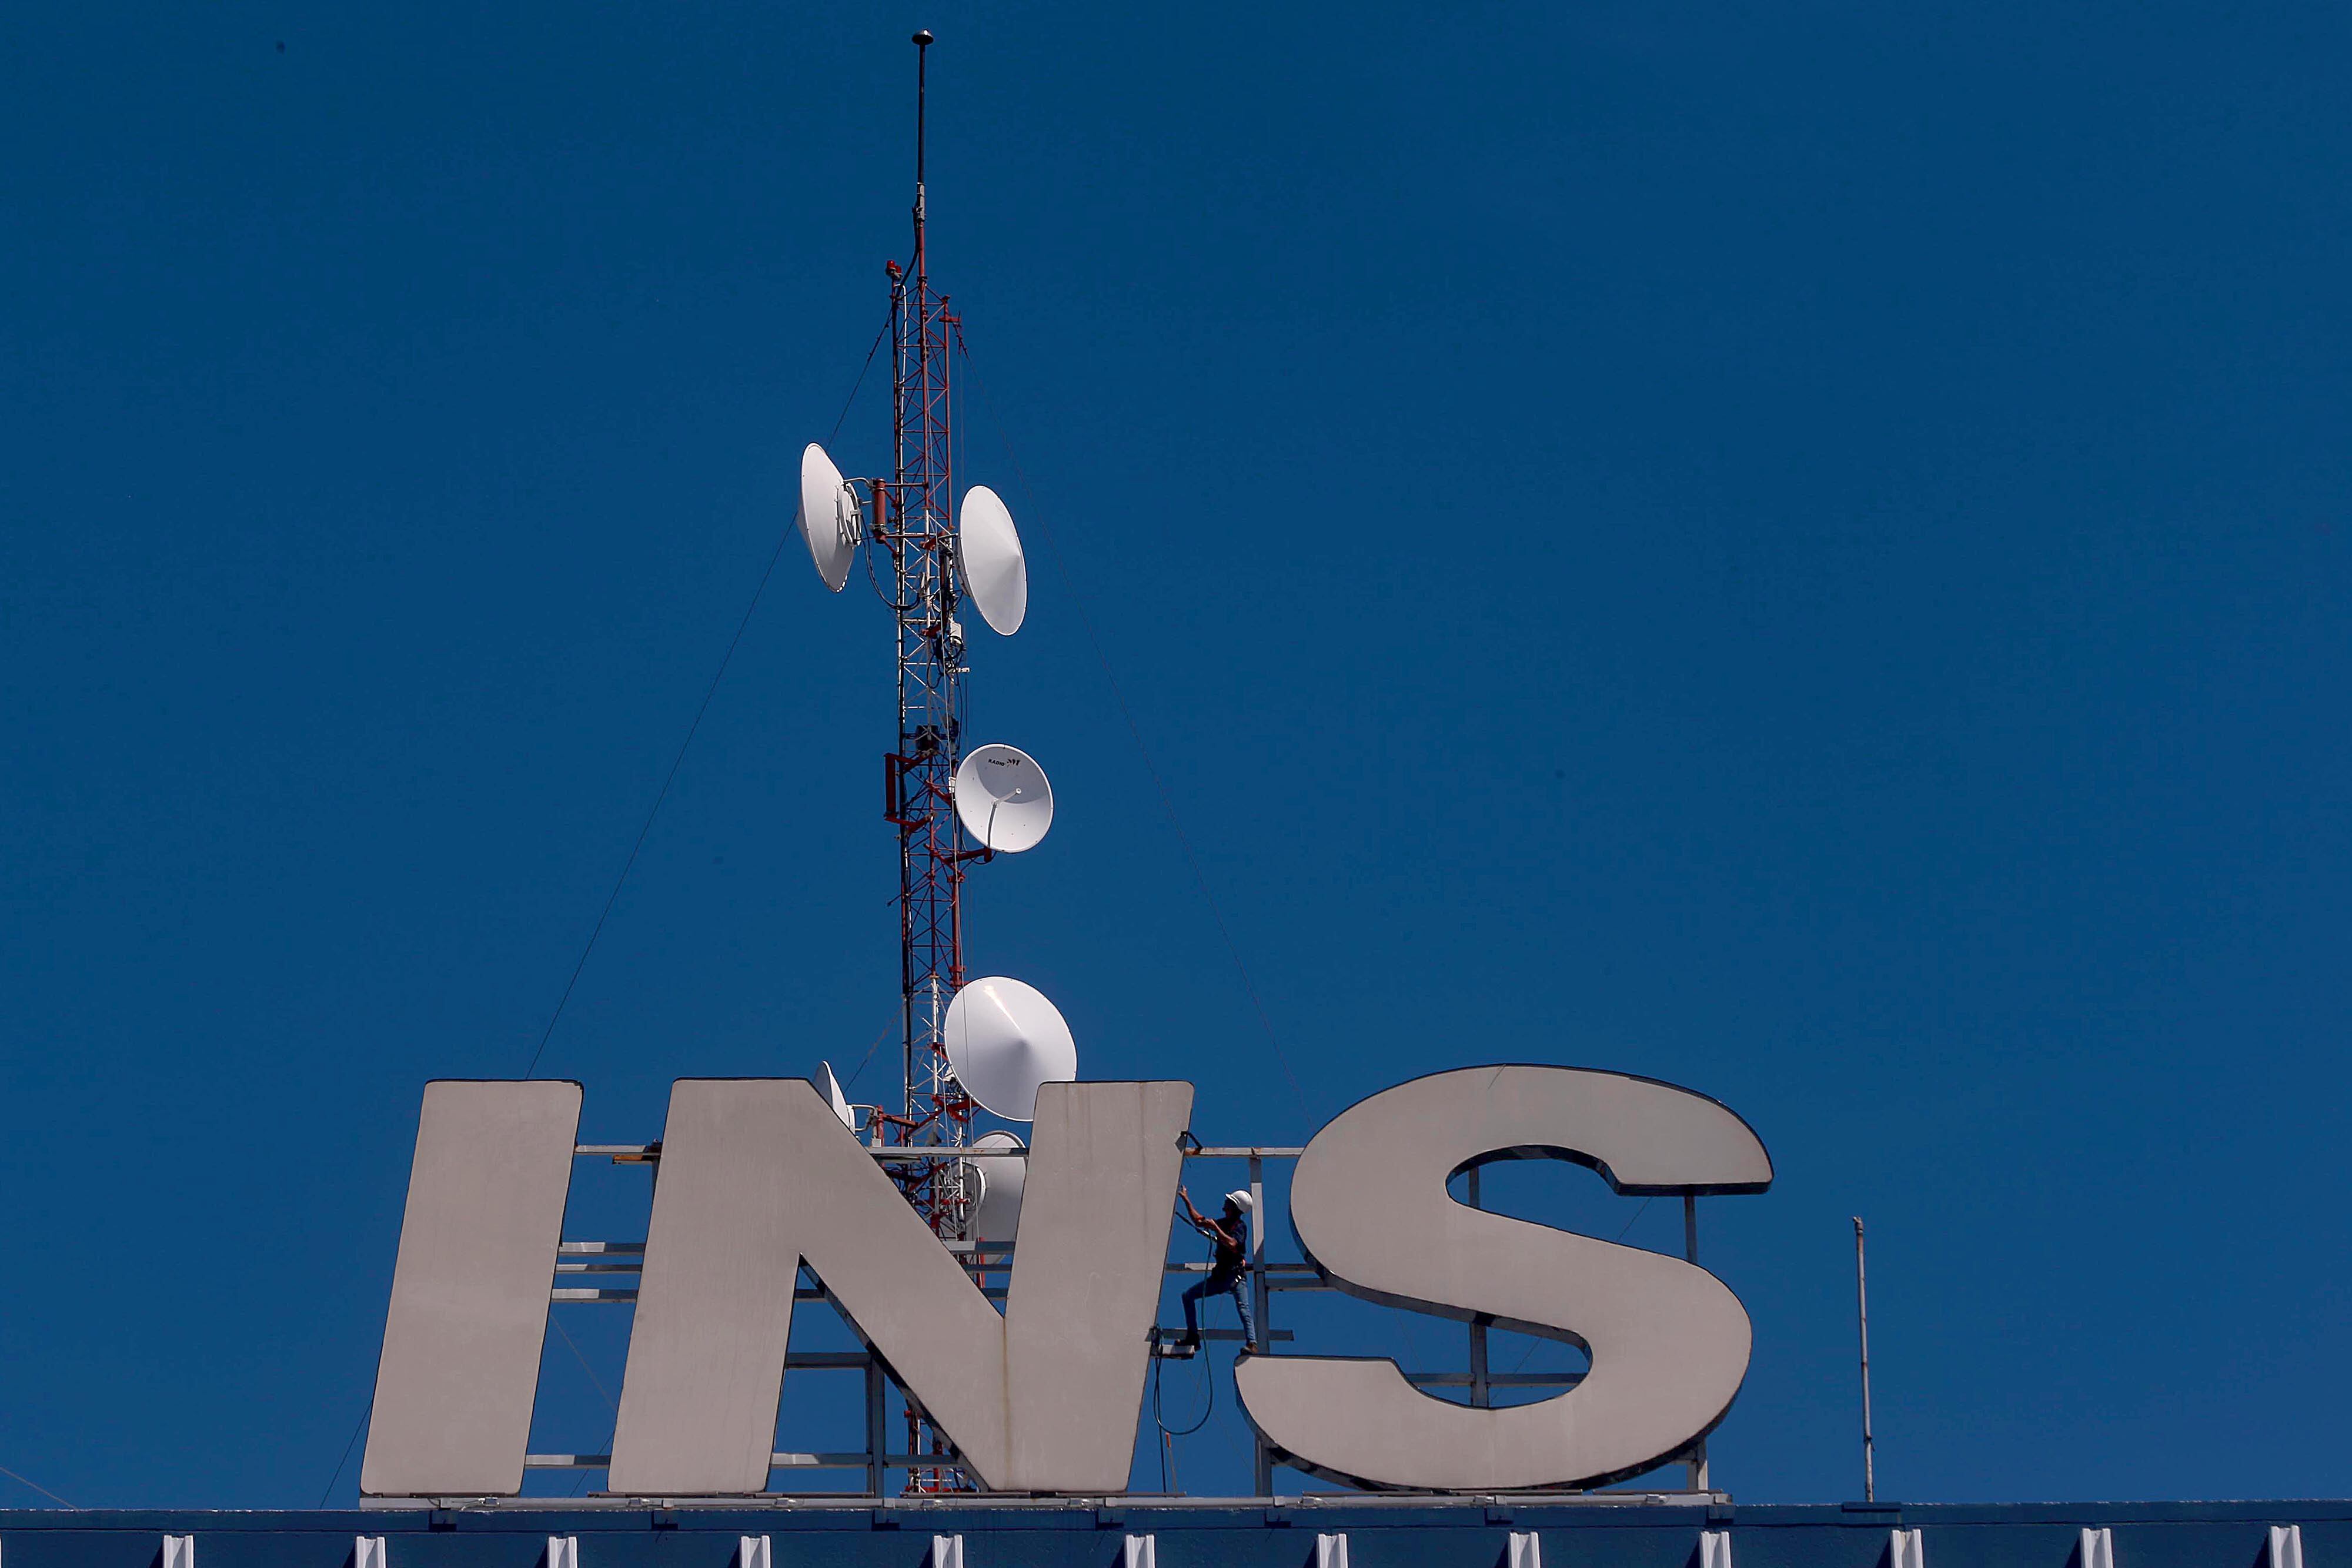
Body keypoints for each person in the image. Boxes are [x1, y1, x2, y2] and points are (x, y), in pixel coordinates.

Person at [1175, 1186, 1258, 1352]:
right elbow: (1199, 1220)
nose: (1224, 1205)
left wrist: (1216, 1229)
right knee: (1188, 1296)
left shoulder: (1240, 1227)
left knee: (1244, 1308)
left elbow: (1233, 1244)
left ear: (1234, 1208)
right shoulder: (1224, 1223)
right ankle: (1193, 1338)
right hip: (1221, 1277)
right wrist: (1187, 1200)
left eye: (1228, 1203)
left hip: (1234, 1277)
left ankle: (1252, 1344)